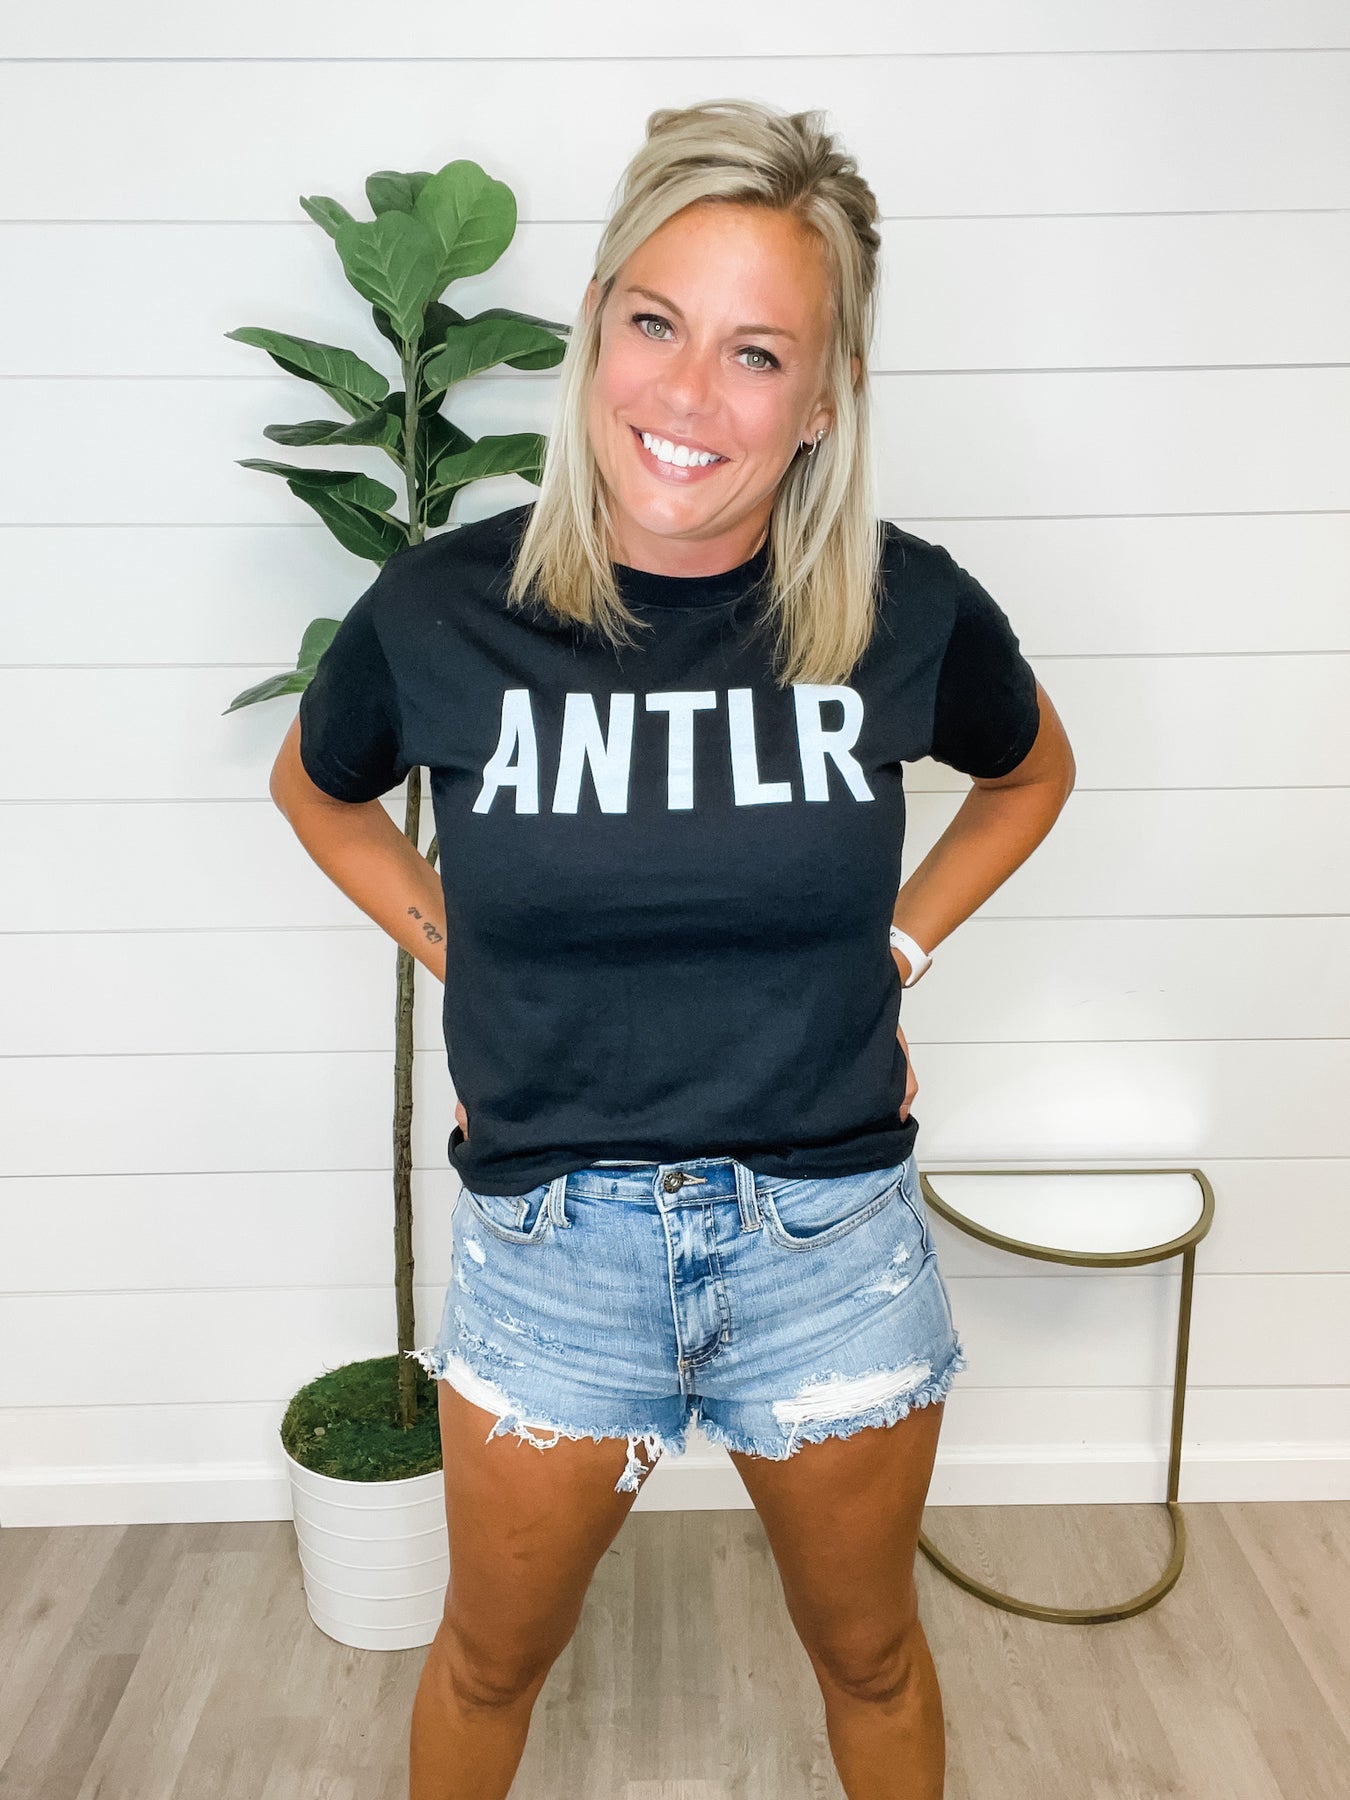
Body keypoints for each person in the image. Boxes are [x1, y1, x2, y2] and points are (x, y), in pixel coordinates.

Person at [271, 99, 1075, 1800]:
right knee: (487, 1665)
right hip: (551, 1248)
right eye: (655, 323)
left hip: (828, 1240)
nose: (690, 394)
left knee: (870, 1658)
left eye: (756, 353)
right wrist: (464, 956)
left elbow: (1029, 775)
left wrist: (898, 951)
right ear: (593, 328)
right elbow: (318, 792)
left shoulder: (902, 606)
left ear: (823, 398)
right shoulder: (440, 612)